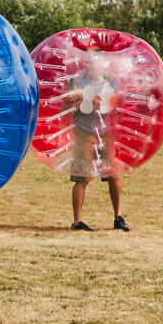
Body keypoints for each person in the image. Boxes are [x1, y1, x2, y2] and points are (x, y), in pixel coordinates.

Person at [65, 53, 129, 232]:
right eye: (89, 65)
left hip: (104, 133)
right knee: (82, 177)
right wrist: (75, 98)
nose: (91, 68)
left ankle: (118, 217)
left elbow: (108, 106)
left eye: (95, 65)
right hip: (83, 133)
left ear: (102, 66)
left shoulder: (110, 82)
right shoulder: (78, 81)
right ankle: (77, 222)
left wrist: (86, 96)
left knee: (113, 176)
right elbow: (69, 104)